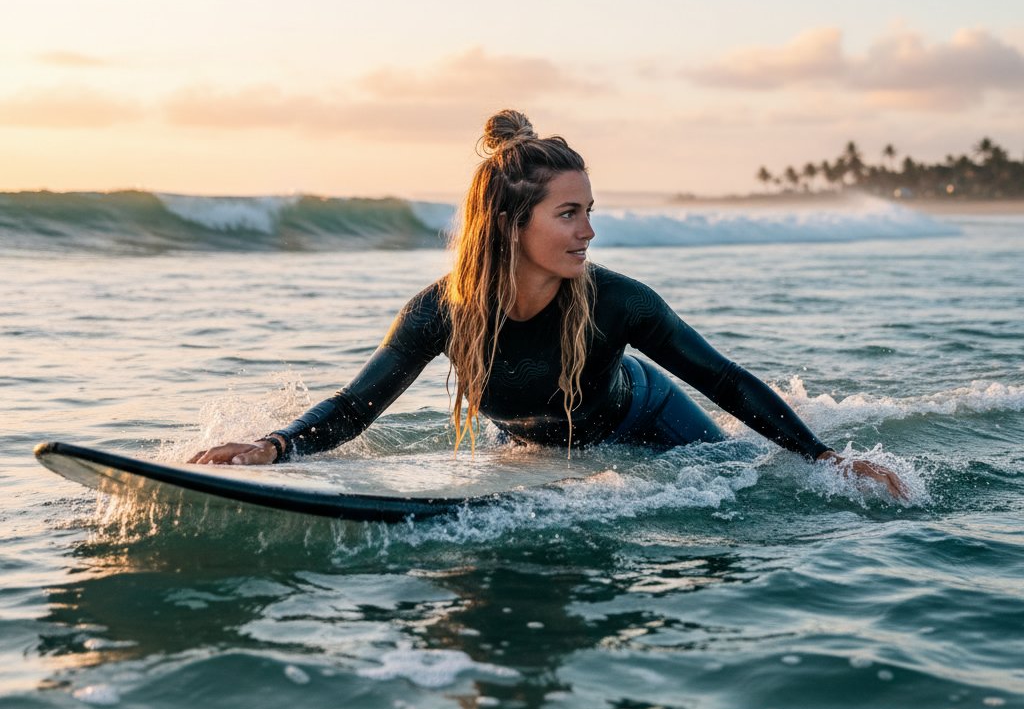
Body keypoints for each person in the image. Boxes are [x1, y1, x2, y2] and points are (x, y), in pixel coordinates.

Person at [190, 110, 908, 499]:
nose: (588, 231)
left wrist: (825, 458)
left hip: (646, 417)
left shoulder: (618, 302)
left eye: (590, 211)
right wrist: (273, 447)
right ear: (510, 224)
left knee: (737, 485)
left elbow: (722, 378)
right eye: (569, 213)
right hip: (539, 439)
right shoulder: (440, 312)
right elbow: (356, 405)